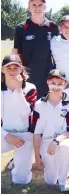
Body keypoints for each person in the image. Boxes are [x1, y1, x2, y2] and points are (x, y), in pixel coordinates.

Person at [32, 69, 69, 192]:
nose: (56, 86)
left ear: (65, 84)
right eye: (53, 83)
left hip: (63, 140)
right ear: (47, 82)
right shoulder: (39, 105)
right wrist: (37, 158)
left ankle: (63, 182)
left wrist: (55, 141)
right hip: (46, 143)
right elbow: (36, 133)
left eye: (60, 84)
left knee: (66, 148)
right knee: (50, 181)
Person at [13, 0, 59, 97]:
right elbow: (15, 52)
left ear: (45, 7)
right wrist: (17, 72)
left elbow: (65, 41)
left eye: (40, 5)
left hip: (47, 75)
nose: (37, 8)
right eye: (34, 5)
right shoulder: (21, 28)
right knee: (29, 106)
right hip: (28, 75)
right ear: (29, 7)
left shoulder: (52, 27)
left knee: (45, 105)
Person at [1, 54, 37, 184]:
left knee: (21, 180)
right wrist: (7, 136)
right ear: (2, 70)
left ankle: (18, 161)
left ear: (21, 70)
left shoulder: (30, 88)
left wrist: (18, 89)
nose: (12, 71)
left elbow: (25, 113)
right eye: (8, 67)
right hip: (3, 133)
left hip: (24, 136)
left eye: (15, 67)